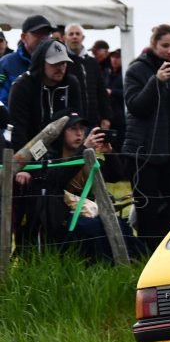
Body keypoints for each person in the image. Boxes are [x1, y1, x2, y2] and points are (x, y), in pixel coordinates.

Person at [15, 109, 139, 260]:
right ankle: (104, 266)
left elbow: (117, 176)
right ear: (60, 133)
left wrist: (109, 153)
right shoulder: (48, 157)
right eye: (73, 129)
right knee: (92, 227)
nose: (79, 133)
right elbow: (56, 180)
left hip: (89, 211)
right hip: (60, 215)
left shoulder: (87, 155)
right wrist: (84, 150)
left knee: (120, 225)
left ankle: (135, 262)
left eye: (81, 129)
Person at [123, 24, 170, 252]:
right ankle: (149, 258)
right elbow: (136, 107)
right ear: (153, 44)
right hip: (143, 151)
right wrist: (156, 81)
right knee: (148, 213)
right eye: (165, 45)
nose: (169, 50)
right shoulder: (136, 69)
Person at [8, 38, 83, 151]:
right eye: (55, 63)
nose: (60, 68)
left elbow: (79, 118)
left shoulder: (72, 83)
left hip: (64, 150)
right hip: (30, 148)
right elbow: (19, 129)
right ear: (41, 62)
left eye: (63, 63)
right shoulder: (22, 86)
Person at [63, 24, 112, 132]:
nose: (74, 37)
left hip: (92, 121)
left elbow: (101, 91)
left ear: (83, 37)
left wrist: (106, 116)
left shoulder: (92, 62)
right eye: (71, 34)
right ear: (65, 38)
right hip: (70, 123)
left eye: (77, 34)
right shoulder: (63, 62)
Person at [0, 14, 56, 105]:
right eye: (37, 32)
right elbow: (1, 101)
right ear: (23, 37)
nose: (43, 37)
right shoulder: (5, 64)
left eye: (47, 33)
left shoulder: (59, 64)